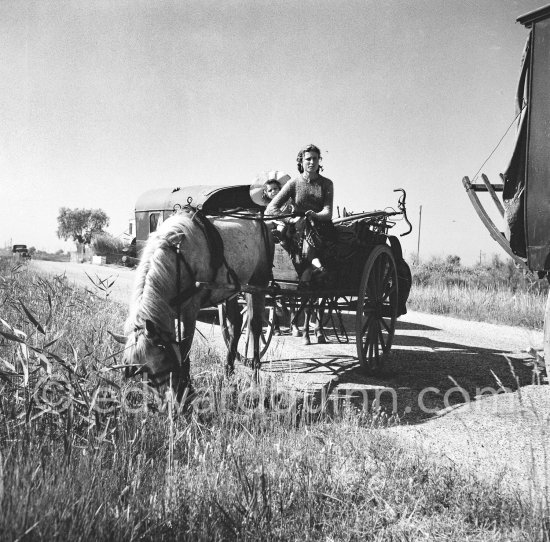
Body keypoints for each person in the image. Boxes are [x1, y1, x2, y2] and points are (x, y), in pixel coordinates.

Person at [266, 144, 335, 284]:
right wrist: (289, 220)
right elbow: (271, 208)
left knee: (309, 230)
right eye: (308, 159)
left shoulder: (327, 184)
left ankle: (312, 270)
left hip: (320, 228)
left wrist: (315, 215)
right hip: (295, 227)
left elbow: (328, 212)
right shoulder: (294, 183)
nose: (312, 162)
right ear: (301, 161)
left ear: (319, 161)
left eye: (315, 158)